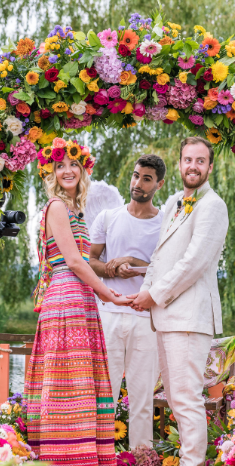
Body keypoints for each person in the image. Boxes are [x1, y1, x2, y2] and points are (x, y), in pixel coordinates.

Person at [128, 137, 229, 466]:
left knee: (186, 397)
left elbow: (194, 262)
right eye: (188, 159)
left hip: (188, 316)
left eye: (200, 161)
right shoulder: (174, 202)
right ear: (181, 162)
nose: (193, 166)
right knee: (174, 395)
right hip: (166, 317)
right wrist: (145, 291)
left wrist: (155, 295)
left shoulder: (212, 205)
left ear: (210, 167)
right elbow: (159, 257)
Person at [25, 138, 126, 466]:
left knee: (80, 386)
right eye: (60, 166)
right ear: (51, 173)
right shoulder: (56, 205)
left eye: (73, 164)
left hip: (78, 298)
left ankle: (80, 465)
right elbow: (73, 261)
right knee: (68, 384)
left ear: (82, 170)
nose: (68, 170)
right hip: (68, 298)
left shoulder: (74, 209)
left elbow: (86, 262)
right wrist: (107, 294)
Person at [88, 154, 166, 449]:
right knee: (103, 396)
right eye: (136, 176)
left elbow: (169, 272)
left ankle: (140, 464)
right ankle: (99, 461)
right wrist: (110, 268)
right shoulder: (108, 217)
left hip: (145, 318)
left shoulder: (165, 224)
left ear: (158, 184)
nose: (138, 183)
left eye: (146, 179)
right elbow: (90, 261)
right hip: (108, 313)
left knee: (142, 399)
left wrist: (134, 262)